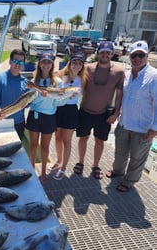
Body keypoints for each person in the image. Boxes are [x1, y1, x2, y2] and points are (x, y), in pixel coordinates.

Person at [106, 40, 157, 192]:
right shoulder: (126, 75)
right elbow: (121, 96)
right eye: (134, 55)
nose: (137, 58)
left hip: (143, 127)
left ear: (147, 55)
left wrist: (155, 128)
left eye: (141, 55)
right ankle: (118, 172)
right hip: (124, 123)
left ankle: (129, 181)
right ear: (130, 56)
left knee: (137, 158)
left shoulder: (154, 76)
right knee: (120, 153)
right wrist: (116, 112)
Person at [73, 41, 125, 179]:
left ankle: (95, 165)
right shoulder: (88, 68)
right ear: (98, 53)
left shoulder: (119, 72)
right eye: (102, 52)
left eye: (108, 52)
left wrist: (116, 113)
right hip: (85, 111)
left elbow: (119, 95)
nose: (105, 55)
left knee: (99, 141)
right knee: (82, 138)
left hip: (104, 114)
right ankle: (80, 162)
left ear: (112, 54)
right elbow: (78, 86)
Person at [26, 52, 63, 183]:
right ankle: (31, 169)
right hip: (35, 115)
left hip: (49, 117)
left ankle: (43, 172)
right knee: (33, 145)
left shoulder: (57, 82)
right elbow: (30, 100)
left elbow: (59, 102)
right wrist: (39, 95)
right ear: (39, 63)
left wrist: (62, 96)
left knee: (45, 147)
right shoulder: (33, 80)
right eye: (43, 62)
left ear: (52, 64)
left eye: (48, 62)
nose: (46, 64)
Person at [51, 52, 88, 180]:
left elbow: (86, 97)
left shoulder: (83, 80)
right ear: (70, 63)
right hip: (58, 109)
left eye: (79, 63)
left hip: (71, 111)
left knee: (67, 140)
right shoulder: (60, 76)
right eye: (74, 62)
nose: (76, 65)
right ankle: (59, 160)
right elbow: (53, 93)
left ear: (82, 66)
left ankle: (63, 168)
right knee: (57, 137)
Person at [0, 49, 27, 140]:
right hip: (3, 121)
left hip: (19, 123)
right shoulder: (0, 78)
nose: (17, 64)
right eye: (15, 61)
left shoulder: (25, 82)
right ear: (10, 61)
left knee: (16, 151)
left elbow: (27, 104)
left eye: (21, 62)